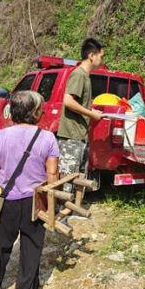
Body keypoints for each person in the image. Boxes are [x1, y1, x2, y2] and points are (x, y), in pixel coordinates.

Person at [0, 91, 59, 289]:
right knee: (31, 249)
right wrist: (51, 204)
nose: (42, 112)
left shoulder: (0, 136)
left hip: (5, 202)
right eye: (41, 108)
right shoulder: (48, 138)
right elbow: (52, 176)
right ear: (34, 113)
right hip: (36, 202)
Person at [57, 38, 104, 193]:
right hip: (71, 136)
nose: (101, 60)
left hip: (80, 136)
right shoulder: (78, 75)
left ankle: (75, 211)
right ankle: (61, 213)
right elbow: (68, 101)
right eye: (100, 56)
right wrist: (92, 114)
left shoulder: (85, 76)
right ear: (92, 55)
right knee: (67, 177)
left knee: (79, 176)